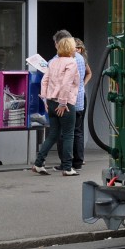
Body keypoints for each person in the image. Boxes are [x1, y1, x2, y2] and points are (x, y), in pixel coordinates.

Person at [32, 35, 81, 177]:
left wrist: (46, 100)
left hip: (51, 101)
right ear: (70, 48)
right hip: (64, 103)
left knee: (53, 134)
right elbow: (66, 83)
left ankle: (39, 163)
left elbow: (44, 81)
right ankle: (67, 168)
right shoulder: (71, 63)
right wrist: (63, 103)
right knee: (68, 135)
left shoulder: (52, 62)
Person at [71, 37, 93, 171]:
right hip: (79, 96)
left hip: (76, 96)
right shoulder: (79, 59)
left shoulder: (79, 60)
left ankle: (79, 158)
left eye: (79, 48)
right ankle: (78, 159)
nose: (78, 50)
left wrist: (82, 84)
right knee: (76, 129)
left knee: (76, 130)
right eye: (76, 47)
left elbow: (90, 73)